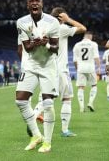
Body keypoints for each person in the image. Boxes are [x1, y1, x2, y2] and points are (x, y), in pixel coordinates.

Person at [15, 0, 60, 153]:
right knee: (20, 100)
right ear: (28, 5)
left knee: (48, 103)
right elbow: (26, 47)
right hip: (30, 65)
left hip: (48, 65)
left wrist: (46, 44)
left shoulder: (53, 22)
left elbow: (56, 48)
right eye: (31, 1)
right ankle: (36, 135)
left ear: (42, 4)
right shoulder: (21, 21)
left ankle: (47, 142)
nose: (34, 3)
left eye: (37, 1)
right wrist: (37, 42)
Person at [32, 7, 87, 137]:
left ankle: (32, 120)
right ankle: (65, 130)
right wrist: (69, 20)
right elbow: (83, 29)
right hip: (61, 69)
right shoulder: (61, 28)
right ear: (61, 17)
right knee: (67, 99)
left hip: (47, 69)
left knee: (45, 98)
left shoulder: (44, 29)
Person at [73, 31, 101, 112]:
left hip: (81, 68)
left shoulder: (77, 45)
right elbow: (96, 57)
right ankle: (90, 102)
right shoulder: (93, 44)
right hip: (90, 68)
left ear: (84, 37)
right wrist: (99, 67)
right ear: (90, 36)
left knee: (81, 87)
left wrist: (77, 68)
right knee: (94, 85)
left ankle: (81, 107)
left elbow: (74, 60)